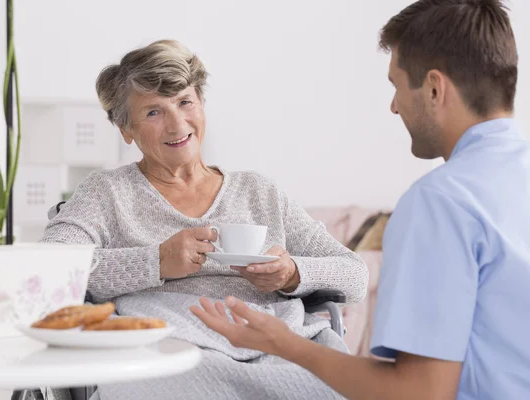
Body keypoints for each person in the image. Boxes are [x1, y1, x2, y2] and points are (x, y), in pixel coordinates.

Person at [191, 1, 530, 399]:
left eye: (397, 85)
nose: (394, 106)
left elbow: (418, 393)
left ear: (435, 89)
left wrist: (284, 343)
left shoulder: (441, 203)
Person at [41, 39, 368, 400]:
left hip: (274, 346)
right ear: (125, 129)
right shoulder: (106, 193)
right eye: (154, 112)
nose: (176, 124)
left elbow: (355, 275)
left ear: (201, 104)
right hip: (169, 351)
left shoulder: (259, 191)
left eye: (185, 102)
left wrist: (293, 273)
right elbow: (48, 270)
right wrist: (157, 261)